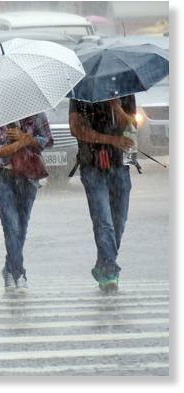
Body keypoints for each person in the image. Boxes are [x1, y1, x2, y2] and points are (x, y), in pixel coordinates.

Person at [69, 95, 136, 292]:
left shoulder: (124, 89)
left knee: (118, 223)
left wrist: (117, 109)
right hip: (92, 165)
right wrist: (110, 139)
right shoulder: (81, 92)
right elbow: (76, 129)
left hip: (120, 166)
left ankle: (103, 264)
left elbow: (133, 127)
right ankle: (108, 273)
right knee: (103, 221)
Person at [0, 113, 53, 291]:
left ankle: (9, 268)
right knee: (11, 224)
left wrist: (27, 139)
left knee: (21, 226)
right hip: (0, 175)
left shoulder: (36, 114)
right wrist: (19, 143)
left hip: (28, 175)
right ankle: (18, 273)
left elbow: (47, 140)